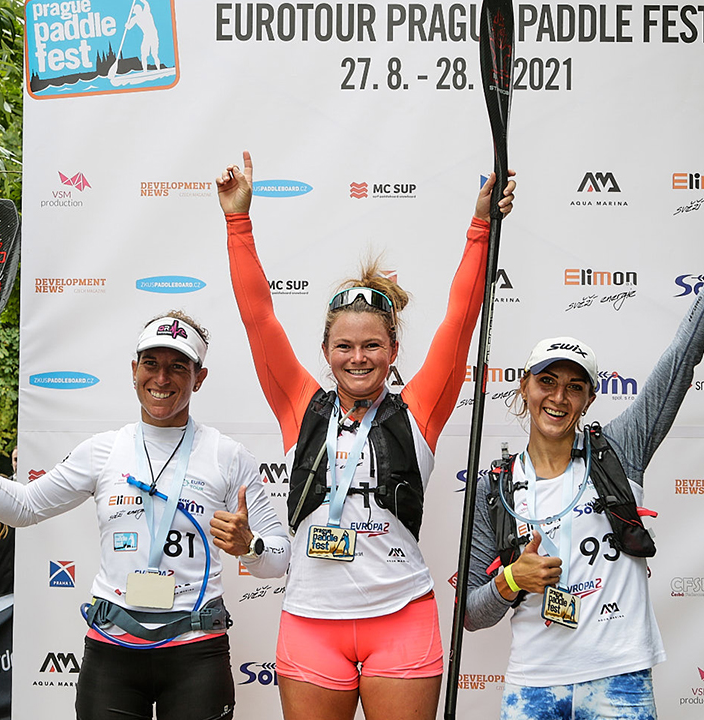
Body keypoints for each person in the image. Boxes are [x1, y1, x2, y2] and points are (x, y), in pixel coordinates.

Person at [216, 151, 515, 720]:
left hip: (402, 615)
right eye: (345, 346)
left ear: (393, 351)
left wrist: (481, 227)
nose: (359, 358)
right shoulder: (300, 406)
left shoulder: (419, 411)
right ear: (326, 353)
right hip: (311, 622)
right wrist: (238, 222)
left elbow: (459, 320)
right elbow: (259, 319)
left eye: (373, 345)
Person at [464, 189, 704, 720]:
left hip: (619, 676)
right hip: (533, 685)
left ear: (590, 398)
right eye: (547, 381)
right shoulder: (496, 487)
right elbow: (470, 613)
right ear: (523, 389)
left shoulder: (618, 449)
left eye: (575, 387)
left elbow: (682, 358)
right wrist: (512, 580)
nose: (559, 396)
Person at [0, 311, 289, 720]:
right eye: (151, 364)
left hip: (196, 652)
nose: (162, 379)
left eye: (178, 366)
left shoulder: (228, 456)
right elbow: (23, 507)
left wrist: (251, 546)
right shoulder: (102, 451)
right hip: (112, 652)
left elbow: (278, 557)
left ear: (200, 377)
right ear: (134, 369)